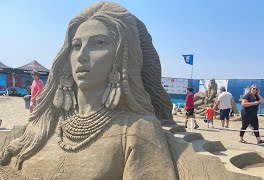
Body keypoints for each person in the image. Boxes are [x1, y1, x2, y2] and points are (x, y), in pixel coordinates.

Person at [0, 2, 176, 179]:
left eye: (99, 43)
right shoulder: (46, 121)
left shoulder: (137, 130)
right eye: (76, 46)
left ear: (122, 55)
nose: (82, 55)